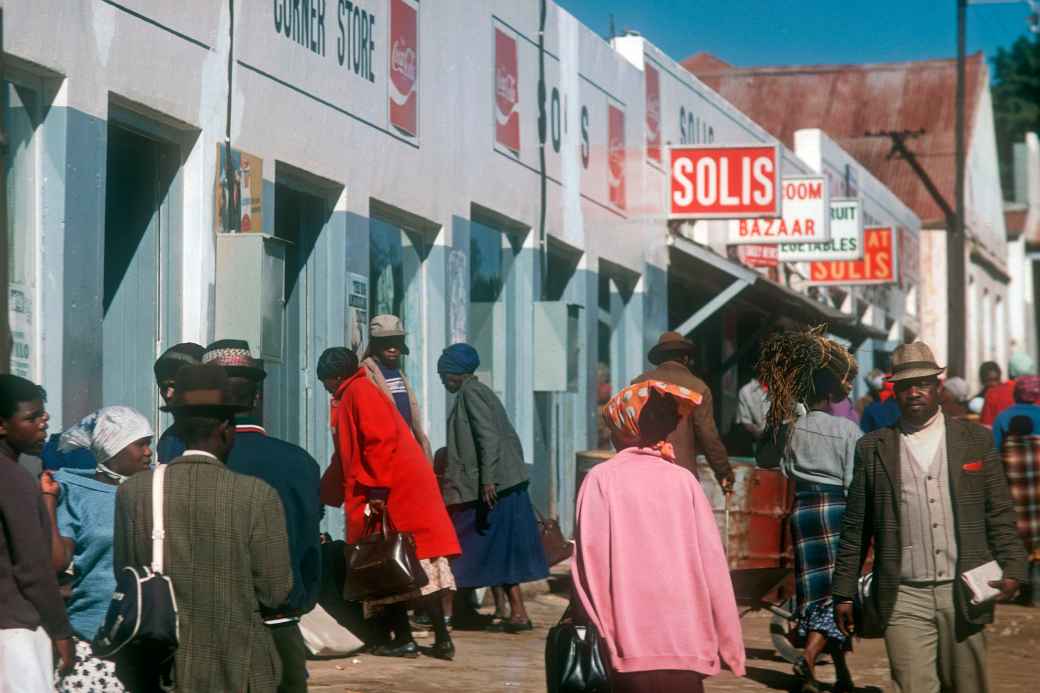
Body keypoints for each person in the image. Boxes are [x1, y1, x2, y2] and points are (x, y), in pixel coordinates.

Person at [832, 342, 1027, 693]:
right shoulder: (874, 447)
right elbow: (856, 525)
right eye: (905, 386)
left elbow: (998, 510)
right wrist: (844, 591)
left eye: (923, 383)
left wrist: (1014, 566)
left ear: (938, 387)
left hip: (965, 586)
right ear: (895, 392)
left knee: (967, 686)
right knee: (912, 686)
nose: (914, 392)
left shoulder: (975, 441)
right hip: (903, 593)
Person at [113, 364, 293, 691]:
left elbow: (125, 574)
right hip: (239, 666)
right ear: (226, 428)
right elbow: (275, 591)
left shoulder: (135, 491)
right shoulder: (257, 495)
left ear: (177, 427)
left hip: (161, 668)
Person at [572, 380, 746, 692]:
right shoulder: (684, 481)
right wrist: (730, 643)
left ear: (622, 429)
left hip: (628, 647)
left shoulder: (601, 479)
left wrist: (602, 630)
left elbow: (590, 565)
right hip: (687, 643)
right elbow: (713, 565)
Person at [202, 339, 322, 692]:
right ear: (257, 397)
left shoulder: (179, 456)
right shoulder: (299, 463)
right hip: (280, 623)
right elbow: (310, 553)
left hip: (208, 626)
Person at [327, 353, 461, 660]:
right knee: (419, 566)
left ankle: (403, 638)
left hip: (392, 490)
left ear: (335, 378)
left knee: (387, 565)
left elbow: (377, 441)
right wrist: (328, 493)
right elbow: (348, 453)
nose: (325, 388)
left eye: (325, 381)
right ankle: (441, 639)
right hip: (402, 487)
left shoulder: (357, 393)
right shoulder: (358, 392)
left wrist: (376, 489)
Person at [757, 355, 861, 692]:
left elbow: (784, 469)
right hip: (835, 509)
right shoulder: (847, 430)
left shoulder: (791, 428)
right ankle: (809, 658)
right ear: (832, 397)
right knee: (837, 592)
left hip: (802, 510)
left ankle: (841, 676)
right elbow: (852, 479)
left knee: (814, 590)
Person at [38, 406, 153, 692]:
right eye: (141, 444)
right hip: (90, 641)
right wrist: (49, 502)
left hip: (145, 639)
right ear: (114, 449)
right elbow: (57, 560)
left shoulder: (155, 490)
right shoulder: (74, 493)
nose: (149, 452)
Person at [436, 343, 549, 634]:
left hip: (494, 486)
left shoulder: (470, 394)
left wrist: (488, 480)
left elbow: (488, 438)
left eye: (443, 374)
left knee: (468, 545)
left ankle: (454, 610)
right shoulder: (480, 391)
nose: (442, 380)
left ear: (455, 374)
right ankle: (508, 610)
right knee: (500, 548)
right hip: (505, 483)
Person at [0, 375, 74, 691]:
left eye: (43, 416)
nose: (42, 425)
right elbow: (33, 567)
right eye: (31, 418)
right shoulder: (13, 479)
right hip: (16, 635)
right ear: (2, 425)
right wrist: (61, 631)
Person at [633, 331, 734, 490]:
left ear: (659, 359)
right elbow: (708, 436)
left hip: (641, 473)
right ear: (686, 358)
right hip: (681, 475)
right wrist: (724, 473)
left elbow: (625, 427)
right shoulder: (698, 388)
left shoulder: (639, 383)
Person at [361, 314, 432, 460]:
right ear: (375, 344)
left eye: (397, 342)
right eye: (386, 342)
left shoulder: (397, 371)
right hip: (384, 453)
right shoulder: (365, 374)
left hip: (404, 448)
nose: (392, 348)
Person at [153, 342, 205, 464]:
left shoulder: (221, 435)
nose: (168, 395)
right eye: (163, 388)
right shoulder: (169, 438)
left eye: (174, 386)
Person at [980, 352, 1036, 426]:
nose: (993, 383)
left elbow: (986, 428)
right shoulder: (1036, 392)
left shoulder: (993, 394)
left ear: (1009, 372)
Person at [992, 375, 1040, 449]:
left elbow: (995, 449)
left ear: (1015, 393)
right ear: (1035, 396)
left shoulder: (1002, 416)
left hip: (1008, 459)